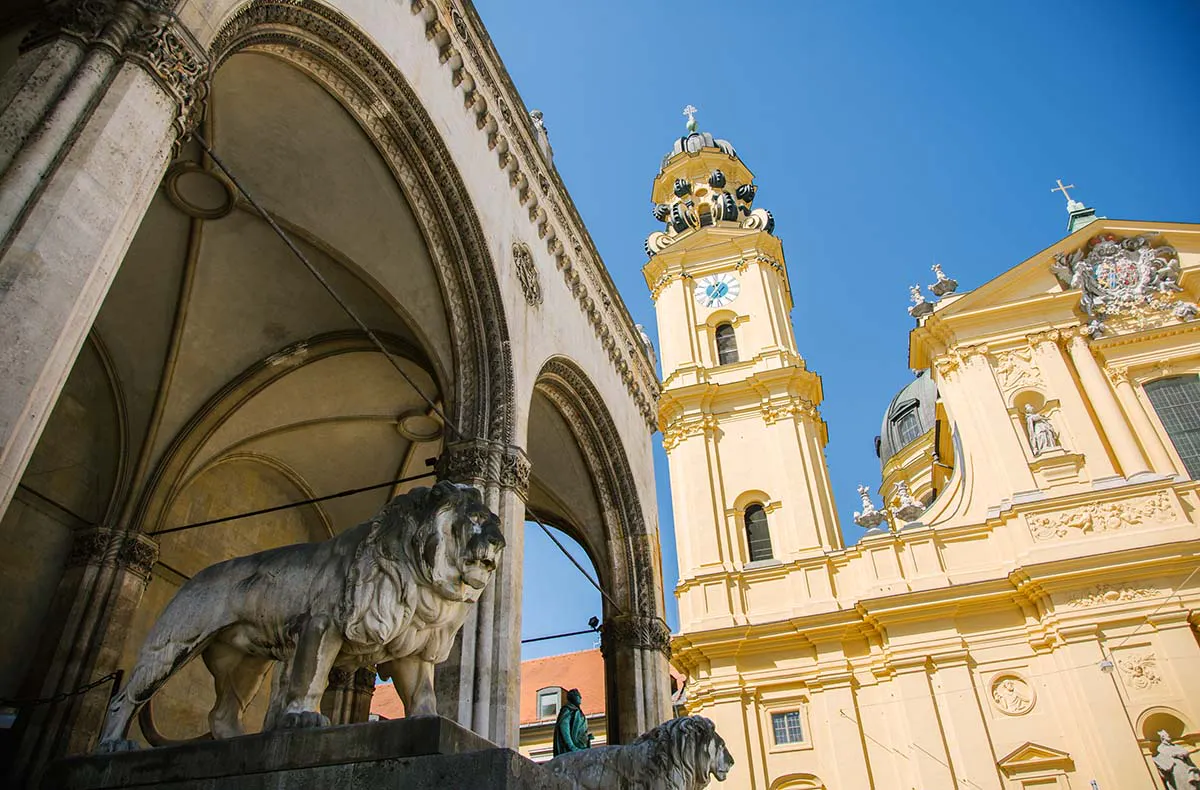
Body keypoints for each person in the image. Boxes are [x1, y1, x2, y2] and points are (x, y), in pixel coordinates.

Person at [552, 688, 593, 756]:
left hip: (581, 748)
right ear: (573, 697)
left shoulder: (577, 711)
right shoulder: (568, 710)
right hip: (574, 750)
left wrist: (587, 738)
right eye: (578, 696)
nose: (580, 697)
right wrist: (571, 746)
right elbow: (564, 728)